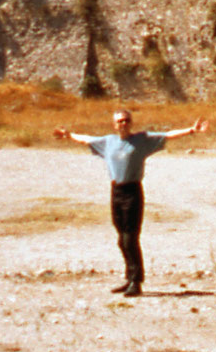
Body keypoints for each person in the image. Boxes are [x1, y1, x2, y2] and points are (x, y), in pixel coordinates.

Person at [51, 110, 207, 296]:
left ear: (131, 123)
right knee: (121, 239)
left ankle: (136, 281)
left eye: (126, 121)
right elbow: (86, 139)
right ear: (114, 125)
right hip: (116, 192)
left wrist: (191, 130)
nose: (123, 124)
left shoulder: (142, 140)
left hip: (132, 192)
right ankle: (129, 278)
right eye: (119, 121)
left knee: (130, 238)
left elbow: (167, 135)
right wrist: (69, 136)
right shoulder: (108, 142)